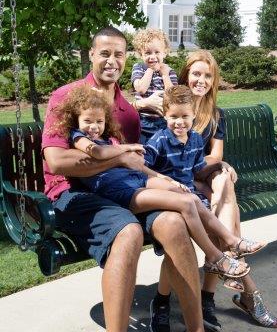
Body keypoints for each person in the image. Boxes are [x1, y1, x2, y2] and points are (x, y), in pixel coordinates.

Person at [42, 27, 204, 332]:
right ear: (91, 55)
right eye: (104, 53)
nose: (111, 61)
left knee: (174, 222)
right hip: (71, 195)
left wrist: (206, 171)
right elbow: (58, 161)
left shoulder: (128, 112)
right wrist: (117, 158)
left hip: (119, 191)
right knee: (127, 232)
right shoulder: (66, 97)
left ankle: (197, 328)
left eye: (119, 54)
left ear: (126, 58)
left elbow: (134, 166)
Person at [52, 83, 258, 282]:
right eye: (88, 121)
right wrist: (128, 148)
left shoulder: (108, 139)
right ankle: (215, 257)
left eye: (99, 121)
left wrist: (161, 177)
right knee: (185, 203)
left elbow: (138, 166)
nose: (94, 127)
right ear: (76, 119)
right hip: (120, 192)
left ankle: (232, 241)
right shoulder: (78, 137)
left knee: (188, 195)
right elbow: (99, 152)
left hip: (136, 179)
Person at [149, 50, 277, 332]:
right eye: (196, 73)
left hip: (204, 183)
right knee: (216, 201)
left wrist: (217, 167)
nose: (201, 80)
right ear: (185, 75)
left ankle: (214, 287)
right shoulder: (171, 110)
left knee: (224, 182)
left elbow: (213, 156)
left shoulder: (215, 115)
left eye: (208, 75)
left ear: (214, 81)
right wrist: (212, 169)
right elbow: (170, 162)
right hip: (181, 183)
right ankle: (245, 289)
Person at [131, 28, 178, 143]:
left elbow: (173, 96)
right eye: (148, 53)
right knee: (145, 151)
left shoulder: (169, 71)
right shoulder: (139, 68)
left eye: (157, 52)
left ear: (165, 53)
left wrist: (165, 75)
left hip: (163, 121)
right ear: (140, 54)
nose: (152, 56)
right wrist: (151, 69)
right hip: (143, 120)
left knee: (163, 149)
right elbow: (141, 89)